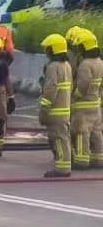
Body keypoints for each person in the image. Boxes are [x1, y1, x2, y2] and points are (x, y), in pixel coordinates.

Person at [39, 33, 74, 178]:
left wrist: (44, 107)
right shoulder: (67, 65)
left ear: (53, 49)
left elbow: (51, 88)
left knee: (58, 139)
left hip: (55, 111)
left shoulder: (53, 66)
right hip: (65, 109)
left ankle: (63, 169)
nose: (46, 51)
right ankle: (64, 165)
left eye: (48, 48)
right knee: (63, 137)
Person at [74, 30, 103, 171]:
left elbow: (84, 83)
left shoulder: (85, 64)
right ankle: (98, 158)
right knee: (97, 131)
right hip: (96, 102)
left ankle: (81, 160)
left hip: (84, 103)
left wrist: (76, 94)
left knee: (82, 132)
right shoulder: (100, 62)